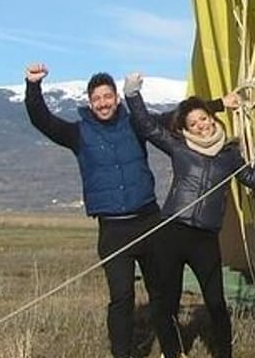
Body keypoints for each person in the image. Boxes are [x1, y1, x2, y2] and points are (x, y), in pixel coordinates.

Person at [22, 63, 173, 358]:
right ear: (90, 104)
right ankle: (121, 354)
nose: (103, 103)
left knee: (161, 294)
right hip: (113, 230)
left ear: (117, 98)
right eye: (97, 99)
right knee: (122, 298)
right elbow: (42, 120)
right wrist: (33, 86)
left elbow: (173, 119)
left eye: (108, 97)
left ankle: (172, 350)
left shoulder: (136, 124)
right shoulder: (78, 133)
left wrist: (222, 104)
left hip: (149, 221)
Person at [123, 73, 255, 358]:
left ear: (212, 117)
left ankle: (224, 353)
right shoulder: (178, 146)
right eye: (193, 123)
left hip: (206, 237)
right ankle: (173, 353)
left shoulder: (230, 153)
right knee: (166, 301)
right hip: (172, 231)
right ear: (186, 128)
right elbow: (147, 126)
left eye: (204, 118)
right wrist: (132, 94)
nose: (201, 125)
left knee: (215, 302)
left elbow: (252, 179)